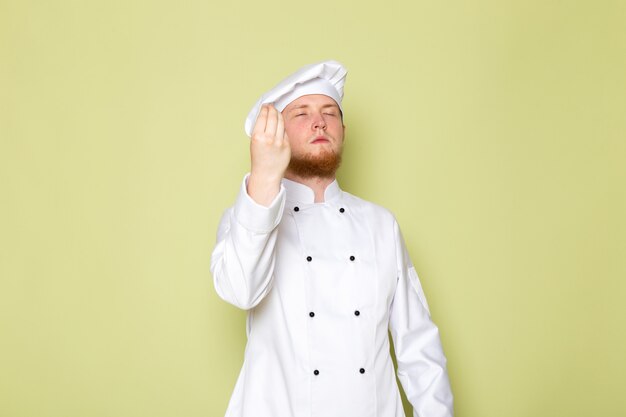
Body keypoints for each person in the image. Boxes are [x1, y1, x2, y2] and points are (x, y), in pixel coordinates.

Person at [210, 60, 453, 417]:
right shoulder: (248, 217)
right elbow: (240, 289)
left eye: (329, 112)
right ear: (278, 134)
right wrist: (262, 177)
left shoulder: (380, 225)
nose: (319, 121)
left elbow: (418, 346)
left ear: (343, 130)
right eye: (301, 114)